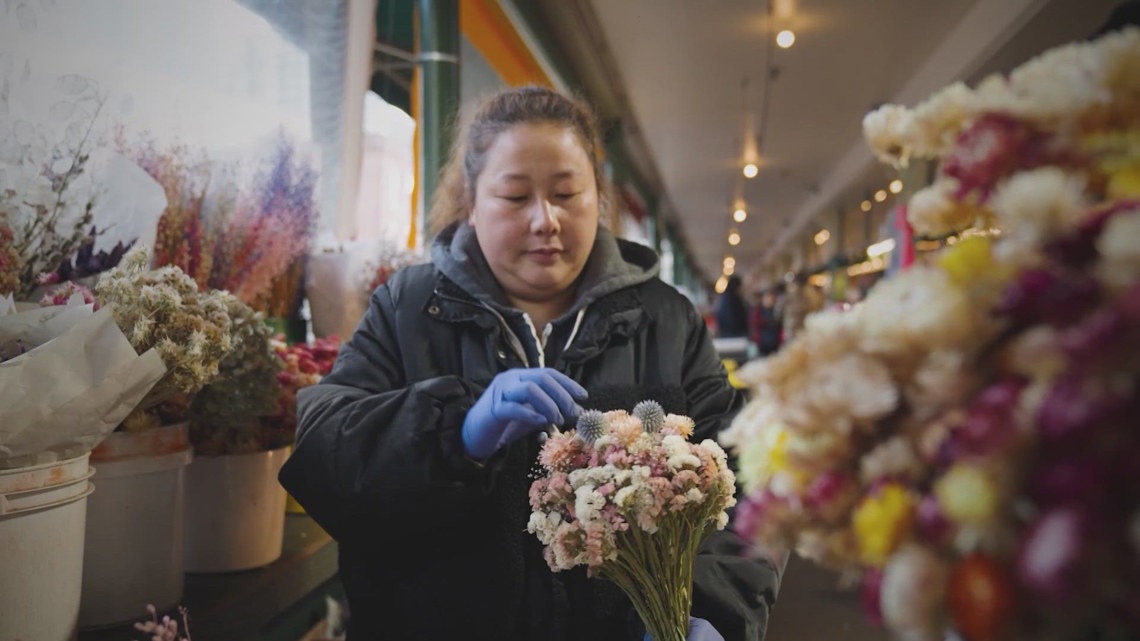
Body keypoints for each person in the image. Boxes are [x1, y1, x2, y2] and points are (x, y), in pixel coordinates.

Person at [279, 86, 778, 641]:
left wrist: (712, 613)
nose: (545, 220)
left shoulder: (667, 320)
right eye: (516, 196)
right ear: (472, 203)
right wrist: (456, 432)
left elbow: (746, 488)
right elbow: (325, 457)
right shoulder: (407, 308)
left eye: (567, 193)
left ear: (598, 199)